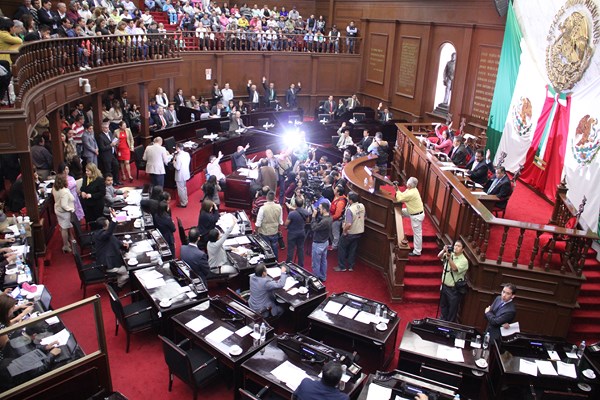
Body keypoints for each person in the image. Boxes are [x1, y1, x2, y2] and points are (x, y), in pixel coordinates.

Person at [94, 212, 129, 287]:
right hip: (108, 263)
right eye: (108, 223)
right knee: (128, 272)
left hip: (111, 259)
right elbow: (109, 233)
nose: (109, 224)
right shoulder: (102, 235)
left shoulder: (100, 233)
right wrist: (114, 219)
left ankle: (117, 279)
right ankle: (118, 286)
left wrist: (122, 244)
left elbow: (113, 240)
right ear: (104, 226)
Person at [437, 239, 468, 322]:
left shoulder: (464, 260)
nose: (456, 247)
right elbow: (439, 256)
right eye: (455, 245)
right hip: (444, 285)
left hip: (453, 289)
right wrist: (444, 250)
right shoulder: (451, 254)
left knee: (452, 309)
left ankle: (449, 326)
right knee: (443, 306)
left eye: (459, 246)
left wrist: (449, 258)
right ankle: (442, 321)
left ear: (462, 249)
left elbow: (454, 268)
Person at [394, 177, 424, 257]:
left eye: (407, 182)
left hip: (416, 215)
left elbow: (400, 198)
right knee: (398, 212)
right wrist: (397, 189)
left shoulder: (411, 193)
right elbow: (402, 195)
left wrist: (397, 190)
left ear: (410, 185)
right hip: (412, 211)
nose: (406, 183)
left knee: (417, 234)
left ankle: (417, 252)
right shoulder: (411, 189)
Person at [336, 192, 365, 272]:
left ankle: (342, 267)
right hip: (359, 232)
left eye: (348, 198)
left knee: (341, 248)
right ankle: (351, 266)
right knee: (353, 249)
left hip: (350, 233)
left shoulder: (350, 210)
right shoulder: (362, 206)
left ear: (351, 200)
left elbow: (348, 224)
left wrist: (344, 231)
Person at [255, 191, 283, 259]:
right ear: (274, 198)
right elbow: (280, 221)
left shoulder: (262, 208)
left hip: (264, 232)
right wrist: (279, 230)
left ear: (267, 198)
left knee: (266, 249)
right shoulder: (279, 207)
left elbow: (258, 223)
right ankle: (275, 261)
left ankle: (268, 262)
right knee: (274, 246)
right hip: (274, 231)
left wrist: (256, 231)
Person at [52, 174, 75, 253]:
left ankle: (69, 239)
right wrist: (71, 209)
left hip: (58, 210)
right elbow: (64, 205)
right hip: (64, 212)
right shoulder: (64, 191)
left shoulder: (54, 188)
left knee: (63, 226)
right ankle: (65, 246)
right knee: (64, 228)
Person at [285, 196, 309, 266]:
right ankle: (301, 265)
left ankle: (288, 264)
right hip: (301, 232)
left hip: (292, 233)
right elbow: (307, 221)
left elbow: (286, 223)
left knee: (291, 250)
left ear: (295, 204)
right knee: (300, 249)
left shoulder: (292, 213)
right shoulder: (306, 212)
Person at [80, 163, 105, 229]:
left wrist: (92, 195)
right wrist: (82, 192)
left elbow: (102, 193)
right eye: (86, 170)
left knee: (97, 222)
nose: (86, 172)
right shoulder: (85, 178)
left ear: (93, 171)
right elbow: (83, 187)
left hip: (96, 204)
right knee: (90, 220)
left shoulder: (100, 180)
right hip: (87, 204)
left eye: (88, 171)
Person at [311, 202, 332, 282]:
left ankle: (316, 280)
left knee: (316, 263)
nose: (318, 210)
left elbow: (313, 227)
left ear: (324, 209)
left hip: (318, 243)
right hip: (325, 242)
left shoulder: (324, 221)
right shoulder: (329, 217)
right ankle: (323, 277)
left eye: (320, 209)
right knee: (323, 261)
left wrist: (313, 217)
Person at [172, 143, 191, 208]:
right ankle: (185, 200)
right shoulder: (187, 154)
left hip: (180, 175)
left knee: (181, 189)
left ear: (178, 148)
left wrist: (174, 162)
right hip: (186, 173)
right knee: (184, 188)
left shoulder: (178, 157)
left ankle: (183, 203)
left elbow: (177, 167)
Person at [330, 185, 347, 250]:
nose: (334, 190)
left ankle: (335, 246)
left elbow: (338, 214)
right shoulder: (336, 196)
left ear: (338, 193)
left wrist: (330, 218)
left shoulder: (340, 202)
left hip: (336, 220)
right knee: (331, 231)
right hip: (332, 216)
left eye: (335, 190)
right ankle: (333, 244)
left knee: (335, 233)